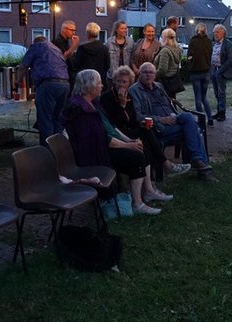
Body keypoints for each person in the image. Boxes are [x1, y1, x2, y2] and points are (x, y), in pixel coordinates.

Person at [62, 69, 167, 215]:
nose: (102, 86)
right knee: (137, 156)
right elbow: (102, 138)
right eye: (99, 83)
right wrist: (128, 145)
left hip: (101, 147)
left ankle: (147, 191)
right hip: (91, 155)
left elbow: (112, 127)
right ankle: (138, 203)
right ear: (89, 86)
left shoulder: (92, 103)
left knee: (141, 145)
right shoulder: (81, 108)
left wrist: (129, 141)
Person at [100, 65, 191, 179]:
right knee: (146, 137)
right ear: (114, 81)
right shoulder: (107, 97)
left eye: (124, 82)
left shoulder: (129, 96)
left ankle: (156, 174)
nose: (121, 85)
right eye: (119, 81)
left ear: (129, 83)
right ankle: (166, 165)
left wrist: (142, 124)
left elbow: (132, 119)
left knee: (147, 132)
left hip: (129, 129)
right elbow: (114, 122)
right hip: (118, 133)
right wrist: (122, 105)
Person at [130, 62, 214, 180]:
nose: (148, 75)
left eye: (151, 72)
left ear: (155, 75)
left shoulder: (159, 86)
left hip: (173, 118)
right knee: (193, 129)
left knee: (188, 117)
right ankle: (201, 165)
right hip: (158, 127)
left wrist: (173, 115)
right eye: (145, 72)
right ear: (139, 74)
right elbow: (138, 116)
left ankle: (198, 161)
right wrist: (161, 119)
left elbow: (168, 104)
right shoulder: (134, 90)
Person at [17, 35, 70, 145]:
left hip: (47, 85)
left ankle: (47, 149)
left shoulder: (37, 47)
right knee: (57, 118)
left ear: (35, 42)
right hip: (65, 84)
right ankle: (59, 148)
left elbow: (23, 66)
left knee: (45, 119)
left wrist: (17, 82)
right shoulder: (56, 49)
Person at [187, 22, 215, 125]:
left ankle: (201, 119)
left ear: (196, 30)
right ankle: (210, 118)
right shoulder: (209, 41)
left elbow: (189, 56)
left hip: (195, 72)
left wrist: (190, 64)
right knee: (204, 96)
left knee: (198, 97)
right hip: (206, 71)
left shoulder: (193, 41)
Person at [210, 24, 232, 121]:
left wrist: (220, 71)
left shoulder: (228, 44)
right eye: (214, 32)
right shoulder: (214, 44)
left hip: (222, 72)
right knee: (216, 93)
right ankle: (219, 111)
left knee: (221, 93)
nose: (215, 34)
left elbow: (230, 59)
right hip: (214, 70)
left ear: (223, 33)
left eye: (217, 32)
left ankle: (222, 113)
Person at [154, 28, 183, 99]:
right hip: (173, 81)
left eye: (162, 36)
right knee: (172, 101)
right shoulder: (177, 49)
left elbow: (163, 69)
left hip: (165, 82)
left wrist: (153, 76)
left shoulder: (165, 51)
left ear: (165, 38)